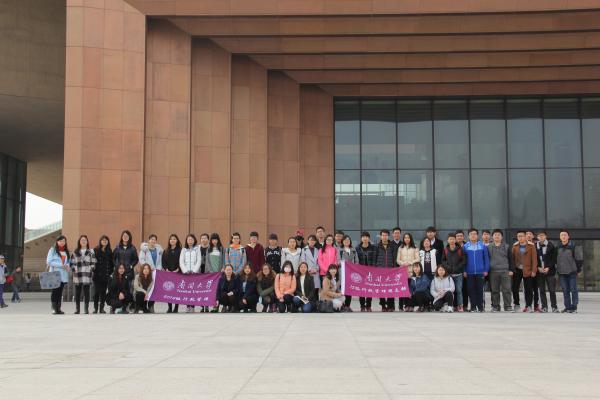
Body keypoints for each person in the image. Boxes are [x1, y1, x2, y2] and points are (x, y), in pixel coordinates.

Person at [556, 230, 583, 313]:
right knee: (565, 290)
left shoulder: (573, 246)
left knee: (573, 289)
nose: (563, 236)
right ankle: (567, 307)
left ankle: (574, 307)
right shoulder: (558, 246)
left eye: (565, 235)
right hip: (562, 273)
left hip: (572, 272)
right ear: (560, 237)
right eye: (562, 235)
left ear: (568, 237)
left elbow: (579, 259)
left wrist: (578, 269)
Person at [487, 230, 514, 312]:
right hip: (493, 271)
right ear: (492, 237)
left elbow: (511, 259)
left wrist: (511, 270)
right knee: (494, 290)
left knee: (507, 290)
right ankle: (495, 306)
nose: (497, 236)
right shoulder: (488, 247)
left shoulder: (506, 246)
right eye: (495, 235)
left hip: (505, 271)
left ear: (502, 237)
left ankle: (508, 306)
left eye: (499, 235)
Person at [463, 228, 489, 312]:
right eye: (471, 234)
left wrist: (486, 270)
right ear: (468, 236)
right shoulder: (465, 246)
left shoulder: (482, 246)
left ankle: (480, 307)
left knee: (480, 290)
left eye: (474, 234)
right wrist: (464, 270)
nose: (473, 235)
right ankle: (473, 307)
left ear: (477, 235)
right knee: (471, 290)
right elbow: (463, 260)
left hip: (480, 272)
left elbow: (486, 259)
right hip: (469, 272)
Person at [511, 230, 538, 313]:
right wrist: (512, 270)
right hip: (517, 270)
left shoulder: (531, 246)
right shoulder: (515, 246)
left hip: (528, 270)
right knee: (515, 288)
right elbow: (512, 259)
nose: (520, 238)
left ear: (525, 237)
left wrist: (534, 270)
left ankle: (528, 305)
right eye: (519, 236)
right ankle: (516, 304)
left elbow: (534, 259)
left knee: (528, 289)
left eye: (522, 236)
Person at [70, 235, 97, 314]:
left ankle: (86, 309)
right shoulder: (75, 252)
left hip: (87, 274)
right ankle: (77, 309)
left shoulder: (91, 252)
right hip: (77, 273)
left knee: (86, 292)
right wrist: (74, 268)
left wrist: (91, 268)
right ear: (79, 242)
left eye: (85, 240)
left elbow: (94, 262)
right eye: (82, 240)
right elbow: (71, 263)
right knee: (77, 292)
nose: (83, 241)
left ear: (87, 241)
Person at [395, 233, 420, 312]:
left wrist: (410, 262)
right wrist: (403, 263)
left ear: (410, 238)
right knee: (404, 289)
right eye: (405, 238)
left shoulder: (415, 247)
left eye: (408, 238)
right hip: (403, 271)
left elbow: (418, 259)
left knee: (411, 289)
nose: (406, 239)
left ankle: (411, 305)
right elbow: (398, 260)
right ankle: (405, 305)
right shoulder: (401, 248)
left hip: (412, 271)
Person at [47, 235, 70, 315]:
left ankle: (58, 308)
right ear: (57, 242)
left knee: (60, 292)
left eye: (64, 241)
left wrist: (68, 266)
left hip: (63, 274)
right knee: (55, 292)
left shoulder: (66, 251)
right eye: (60, 241)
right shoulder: (52, 250)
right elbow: (49, 262)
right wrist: (61, 265)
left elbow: (68, 261)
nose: (62, 242)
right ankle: (54, 308)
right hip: (55, 274)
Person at [375, 229, 397, 312]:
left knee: (391, 288)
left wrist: (395, 268)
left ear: (388, 236)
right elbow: (375, 258)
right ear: (380, 236)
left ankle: (390, 305)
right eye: (383, 235)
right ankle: (383, 305)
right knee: (381, 289)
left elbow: (395, 258)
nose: (384, 237)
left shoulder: (392, 246)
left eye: (386, 235)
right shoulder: (377, 246)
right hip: (380, 270)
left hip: (391, 270)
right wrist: (375, 268)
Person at [536, 231, 558, 313]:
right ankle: (544, 307)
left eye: (542, 235)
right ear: (537, 237)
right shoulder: (535, 246)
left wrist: (548, 267)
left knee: (552, 290)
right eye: (539, 236)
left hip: (550, 271)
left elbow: (554, 258)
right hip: (539, 271)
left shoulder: (551, 245)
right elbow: (534, 258)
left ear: (546, 236)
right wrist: (538, 267)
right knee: (542, 290)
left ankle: (554, 307)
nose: (541, 237)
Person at [442, 233, 466, 312]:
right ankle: (451, 306)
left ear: (455, 240)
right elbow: (443, 260)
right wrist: (447, 267)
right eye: (450, 239)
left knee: (459, 291)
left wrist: (458, 267)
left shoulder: (460, 249)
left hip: (458, 274)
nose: (452, 240)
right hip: (449, 274)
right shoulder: (445, 250)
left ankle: (460, 306)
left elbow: (463, 260)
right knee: (450, 291)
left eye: (453, 239)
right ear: (448, 240)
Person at [180, 234, 202, 313]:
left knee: (193, 291)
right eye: (188, 239)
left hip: (194, 273)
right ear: (186, 241)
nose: (190, 241)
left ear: (194, 240)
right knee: (187, 291)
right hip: (186, 274)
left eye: (191, 239)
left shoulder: (197, 249)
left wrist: (194, 271)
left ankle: (192, 306)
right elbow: (181, 261)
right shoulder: (183, 250)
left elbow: (199, 260)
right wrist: (185, 270)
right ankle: (187, 306)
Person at [356, 231, 377, 312]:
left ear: (369, 238)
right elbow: (356, 260)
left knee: (369, 289)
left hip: (370, 271)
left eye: (366, 237)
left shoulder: (373, 247)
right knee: (361, 289)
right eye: (363, 237)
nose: (365, 238)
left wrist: (373, 269)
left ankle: (368, 306)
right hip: (360, 271)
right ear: (361, 238)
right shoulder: (357, 248)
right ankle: (362, 306)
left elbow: (374, 259)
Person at [93, 235, 113, 314]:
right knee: (96, 292)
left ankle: (102, 308)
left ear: (108, 242)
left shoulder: (109, 251)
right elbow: (93, 261)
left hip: (106, 275)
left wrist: (110, 272)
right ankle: (95, 308)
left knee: (103, 292)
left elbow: (111, 263)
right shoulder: (96, 250)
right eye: (103, 240)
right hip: (97, 275)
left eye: (106, 240)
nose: (104, 241)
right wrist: (94, 270)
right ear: (100, 241)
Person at [162, 234, 182, 313]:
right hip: (168, 274)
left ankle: (176, 307)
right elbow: (163, 261)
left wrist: (178, 269)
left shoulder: (180, 250)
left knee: (177, 291)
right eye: (171, 239)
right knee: (169, 290)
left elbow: (182, 261)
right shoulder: (166, 251)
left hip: (178, 273)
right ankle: (169, 307)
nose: (172, 240)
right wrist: (166, 269)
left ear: (177, 241)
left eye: (174, 239)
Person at [338, 235, 358, 312]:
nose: (347, 241)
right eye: (345, 240)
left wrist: (354, 267)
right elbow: (338, 261)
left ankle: (347, 306)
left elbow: (356, 261)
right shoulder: (339, 250)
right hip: (342, 273)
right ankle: (342, 306)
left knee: (349, 289)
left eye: (348, 240)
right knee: (342, 289)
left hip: (351, 273)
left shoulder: (353, 250)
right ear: (342, 241)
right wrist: (344, 263)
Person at [456, 229, 469, 310]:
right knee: (456, 290)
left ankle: (465, 306)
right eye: (458, 236)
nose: (459, 237)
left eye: (461, 236)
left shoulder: (467, 246)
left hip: (465, 271)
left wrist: (465, 270)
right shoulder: (452, 245)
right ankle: (456, 306)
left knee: (465, 289)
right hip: (456, 271)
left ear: (463, 237)